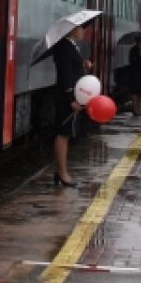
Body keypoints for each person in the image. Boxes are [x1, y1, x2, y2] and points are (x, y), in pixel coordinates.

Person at [52, 25, 89, 187]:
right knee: (63, 134)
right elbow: (65, 76)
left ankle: (60, 171)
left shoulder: (70, 47)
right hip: (66, 98)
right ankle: (62, 174)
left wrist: (84, 65)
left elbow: (73, 70)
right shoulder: (65, 48)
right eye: (81, 28)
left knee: (65, 134)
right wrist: (71, 99)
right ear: (72, 30)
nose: (83, 31)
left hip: (68, 97)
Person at [128, 36, 141, 116]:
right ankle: (135, 109)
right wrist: (138, 56)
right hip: (135, 75)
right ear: (140, 42)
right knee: (135, 92)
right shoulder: (133, 50)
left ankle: (139, 108)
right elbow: (131, 60)